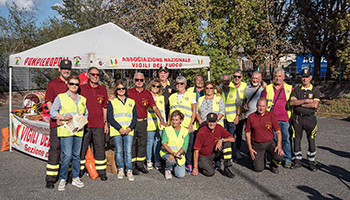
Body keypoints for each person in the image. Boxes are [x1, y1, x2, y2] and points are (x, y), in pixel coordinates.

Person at [50, 76, 88, 191]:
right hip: (66, 130)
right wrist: (62, 117)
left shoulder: (82, 99)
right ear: (67, 84)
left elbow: (85, 113)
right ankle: (63, 178)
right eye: (72, 84)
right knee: (67, 155)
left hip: (78, 130)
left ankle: (75, 177)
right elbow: (53, 111)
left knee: (77, 155)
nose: (74, 86)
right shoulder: (60, 97)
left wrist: (83, 123)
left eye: (76, 84)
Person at [128, 72, 167, 175]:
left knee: (142, 144)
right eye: (137, 80)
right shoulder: (129, 92)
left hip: (143, 122)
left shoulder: (147, 94)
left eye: (141, 80)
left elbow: (154, 107)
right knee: (132, 144)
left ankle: (140, 165)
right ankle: (132, 166)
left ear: (144, 81)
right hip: (132, 122)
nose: (139, 82)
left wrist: (161, 119)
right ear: (133, 81)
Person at [45, 59, 72, 189]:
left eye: (68, 69)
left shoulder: (74, 83)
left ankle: (68, 175)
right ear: (59, 69)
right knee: (55, 150)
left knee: (69, 151)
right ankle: (51, 178)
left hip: (71, 124)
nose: (66, 71)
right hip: (57, 123)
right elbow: (49, 103)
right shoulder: (52, 84)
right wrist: (57, 117)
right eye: (64, 68)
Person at [79, 67, 108, 181]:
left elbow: (104, 107)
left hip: (99, 124)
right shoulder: (81, 88)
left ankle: (101, 171)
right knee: (82, 148)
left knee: (100, 148)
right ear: (88, 75)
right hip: (84, 124)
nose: (95, 76)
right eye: (93, 74)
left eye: (97, 74)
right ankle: (80, 170)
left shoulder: (103, 89)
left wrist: (105, 122)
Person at [261, 68, 293, 168]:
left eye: (280, 76)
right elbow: (262, 102)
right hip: (271, 119)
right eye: (276, 76)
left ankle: (287, 158)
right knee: (273, 139)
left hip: (285, 118)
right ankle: (275, 158)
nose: (278, 78)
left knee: (286, 139)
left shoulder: (289, 88)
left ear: (283, 77)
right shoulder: (268, 88)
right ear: (273, 77)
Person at [290, 68, 320, 172]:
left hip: (310, 119)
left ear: (310, 78)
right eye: (303, 76)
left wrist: (300, 103)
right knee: (296, 139)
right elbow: (292, 103)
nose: (305, 79)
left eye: (307, 77)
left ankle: (311, 162)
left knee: (311, 140)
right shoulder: (297, 89)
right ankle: (297, 160)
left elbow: (314, 105)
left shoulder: (315, 90)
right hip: (298, 118)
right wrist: (306, 101)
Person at [108, 81, 137, 181]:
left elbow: (134, 117)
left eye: (123, 88)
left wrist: (129, 128)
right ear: (116, 90)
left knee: (128, 151)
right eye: (119, 89)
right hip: (117, 131)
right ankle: (120, 168)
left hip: (129, 130)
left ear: (126, 90)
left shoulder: (131, 102)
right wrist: (119, 128)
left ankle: (129, 170)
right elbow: (110, 118)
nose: (121, 90)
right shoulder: (112, 101)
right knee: (119, 151)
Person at [245, 98, 284, 173]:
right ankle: (261, 158)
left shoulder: (271, 116)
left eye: (263, 106)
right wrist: (250, 148)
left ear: (266, 107)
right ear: (256, 106)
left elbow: (278, 131)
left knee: (280, 155)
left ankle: (273, 165)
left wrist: (279, 145)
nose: (261, 108)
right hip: (257, 144)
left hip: (269, 142)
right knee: (258, 169)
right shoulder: (251, 117)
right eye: (259, 106)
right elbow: (247, 133)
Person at [192, 113, 236, 178]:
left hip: (213, 153)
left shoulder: (219, 127)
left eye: (213, 121)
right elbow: (196, 150)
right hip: (204, 156)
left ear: (216, 121)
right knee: (210, 173)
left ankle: (227, 168)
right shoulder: (202, 131)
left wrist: (222, 140)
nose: (211, 124)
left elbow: (232, 139)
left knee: (227, 143)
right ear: (207, 121)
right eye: (210, 121)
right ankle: (202, 166)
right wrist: (195, 168)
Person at [168, 76, 197, 173]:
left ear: (185, 84)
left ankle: (189, 163)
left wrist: (191, 123)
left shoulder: (191, 95)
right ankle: (173, 163)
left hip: (186, 125)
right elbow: (170, 111)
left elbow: (194, 110)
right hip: (174, 125)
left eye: (181, 83)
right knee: (174, 145)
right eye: (177, 83)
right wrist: (168, 123)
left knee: (188, 146)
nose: (179, 85)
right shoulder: (172, 97)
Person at [160, 110, 189, 180]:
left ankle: (173, 165)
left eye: (176, 120)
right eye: (173, 119)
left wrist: (177, 154)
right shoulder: (167, 129)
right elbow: (164, 144)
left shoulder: (185, 131)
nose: (174, 122)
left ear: (181, 120)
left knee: (180, 175)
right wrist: (172, 153)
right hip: (167, 153)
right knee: (170, 159)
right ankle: (168, 169)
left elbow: (185, 146)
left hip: (179, 155)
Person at [146, 79, 166, 170]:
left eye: (158, 86)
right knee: (149, 143)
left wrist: (164, 121)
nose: (155, 88)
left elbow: (163, 111)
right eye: (154, 85)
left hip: (159, 124)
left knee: (158, 142)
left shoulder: (161, 97)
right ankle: (149, 160)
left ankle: (157, 160)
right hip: (150, 123)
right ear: (150, 86)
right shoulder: (147, 96)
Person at [231, 69, 247, 160]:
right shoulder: (229, 85)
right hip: (230, 113)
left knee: (239, 133)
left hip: (241, 114)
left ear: (242, 77)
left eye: (239, 77)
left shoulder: (245, 86)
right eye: (235, 76)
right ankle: (230, 150)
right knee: (230, 133)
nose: (236, 78)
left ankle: (237, 150)